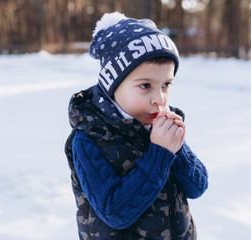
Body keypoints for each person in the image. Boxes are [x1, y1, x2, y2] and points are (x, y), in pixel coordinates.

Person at [65, 12, 208, 240]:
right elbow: (115, 212)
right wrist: (160, 153)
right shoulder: (89, 139)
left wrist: (177, 147)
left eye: (166, 84)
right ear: (113, 86)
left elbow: (197, 187)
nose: (159, 98)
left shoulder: (160, 124)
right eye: (145, 86)